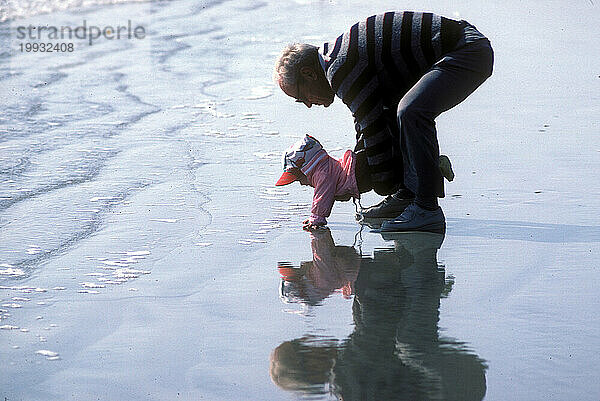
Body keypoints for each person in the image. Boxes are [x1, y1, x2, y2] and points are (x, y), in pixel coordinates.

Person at [273, 11, 494, 232]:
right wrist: (357, 172)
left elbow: (373, 128)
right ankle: (408, 195)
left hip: (467, 50)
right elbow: (368, 122)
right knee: (395, 111)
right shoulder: (337, 58)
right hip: (461, 48)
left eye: (302, 97)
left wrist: (376, 183)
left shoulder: (339, 67)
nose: (309, 104)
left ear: (308, 73)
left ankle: (427, 208)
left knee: (411, 112)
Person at [275, 134, 452, 233]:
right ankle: (430, 163)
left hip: (361, 172)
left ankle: (432, 165)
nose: (301, 184)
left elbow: (322, 196)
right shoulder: (326, 167)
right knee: (398, 167)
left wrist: (317, 218)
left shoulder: (322, 173)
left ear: (307, 167)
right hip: (359, 166)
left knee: (396, 173)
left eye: (299, 178)